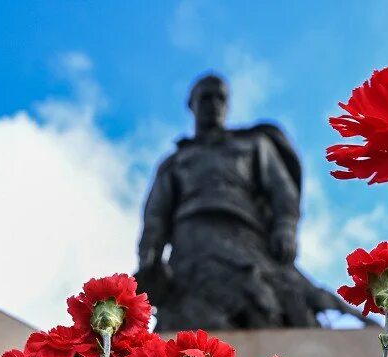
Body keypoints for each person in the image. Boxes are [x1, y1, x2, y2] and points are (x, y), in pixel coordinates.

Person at [136, 74, 363, 330]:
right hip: (191, 239)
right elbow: (155, 216)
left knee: (264, 303)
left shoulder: (253, 144)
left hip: (245, 235)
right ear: (192, 104)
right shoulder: (175, 161)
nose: (213, 104)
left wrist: (285, 228)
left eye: (220, 97)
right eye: (206, 97)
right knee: (188, 315)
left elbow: (282, 191)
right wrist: (149, 260)